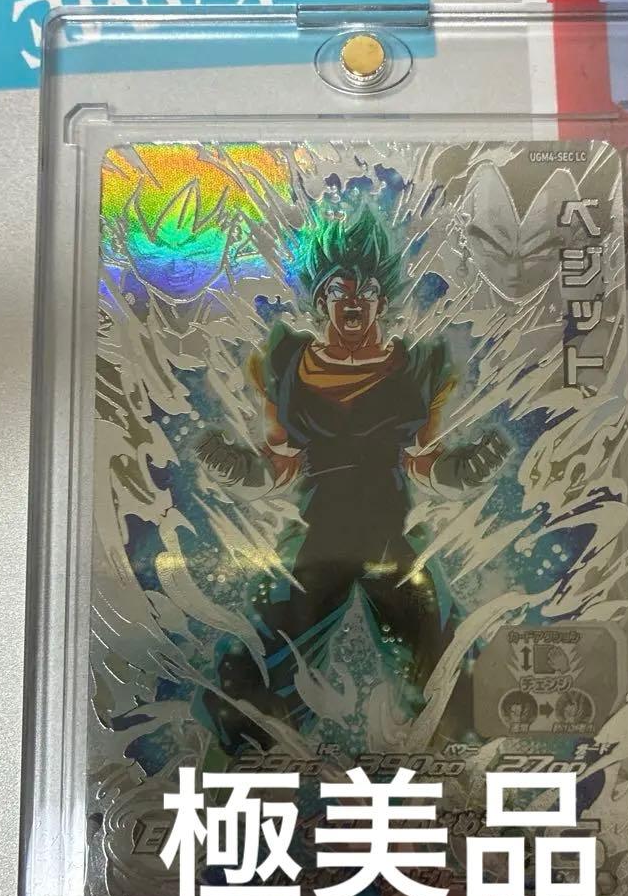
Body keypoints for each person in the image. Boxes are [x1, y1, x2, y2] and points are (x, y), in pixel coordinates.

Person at [191, 205, 509, 753]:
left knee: (439, 653)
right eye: (339, 289)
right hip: (318, 539)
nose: (353, 299)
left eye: (366, 288)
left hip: (391, 537)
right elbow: (280, 463)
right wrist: (234, 465)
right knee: (267, 653)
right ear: (322, 301)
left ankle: (463, 761)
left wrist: (468, 466)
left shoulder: (419, 367)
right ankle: (242, 758)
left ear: (382, 299)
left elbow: (424, 460)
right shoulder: (286, 363)